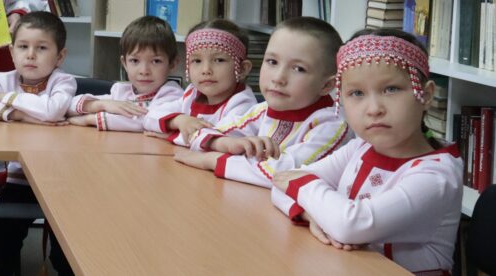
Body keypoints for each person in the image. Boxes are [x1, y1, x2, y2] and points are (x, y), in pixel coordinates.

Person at [272, 30, 462, 274]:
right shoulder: (360, 148)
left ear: (424, 95)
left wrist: (305, 190)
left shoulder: (436, 175)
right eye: (357, 93)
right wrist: (311, 214)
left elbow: (350, 225)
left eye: (391, 89)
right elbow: (279, 184)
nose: (373, 109)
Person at [174, 17, 352, 188]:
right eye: (272, 62)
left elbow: (283, 173)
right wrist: (225, 143)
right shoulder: (262, 111)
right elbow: (197, 134)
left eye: (298, 69)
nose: (278, 78)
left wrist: (211, 160)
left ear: (327, 85)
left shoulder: (332, 125)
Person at [0, 11, 75, 275]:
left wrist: (7, 100)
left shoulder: (63, 81)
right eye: (23, 46)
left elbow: (52, 110)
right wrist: (23, 114)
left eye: (42, 48)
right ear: (12, 52)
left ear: (60, 56)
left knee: (66, 250)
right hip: (16, 180)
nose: (31, 55)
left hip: (59, 182)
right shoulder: (3, 79)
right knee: (2, 237)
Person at [150, 19, 258, 146]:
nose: (206, 70)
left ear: (242, 69)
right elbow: (150, 116)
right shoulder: (192, 94)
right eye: (197, 61)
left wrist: (170, 134)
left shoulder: (244, 106)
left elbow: (216, 141)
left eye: (219, 60)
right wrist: (178, 121)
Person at [68, 15, 182, 132]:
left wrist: (90, 119)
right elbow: (68, 105)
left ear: (172, 64)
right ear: (124, 63)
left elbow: (146, 121)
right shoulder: (122, 91)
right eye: (135, 61)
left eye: (156, 61)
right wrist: (101, 105)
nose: (144, 71)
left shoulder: (173, 95)